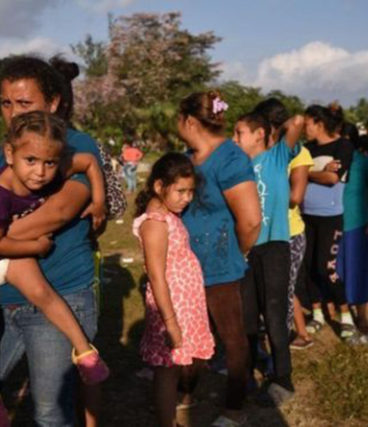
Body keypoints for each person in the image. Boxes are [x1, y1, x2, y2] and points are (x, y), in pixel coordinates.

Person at [0, 55, 105, 426]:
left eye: (24, 102)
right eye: (6, 103)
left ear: (53, 103)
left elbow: (59, 212)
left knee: (51, 413)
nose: (13, 112)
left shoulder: (69, 145)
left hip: (56, 293)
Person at [177, 90, 262, 426]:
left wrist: (234, 253)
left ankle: (234, 408)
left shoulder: (230, 159)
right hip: (187, 266)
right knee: (191, 333)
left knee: (231, 336)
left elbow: (251, 220)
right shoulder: (188, 157)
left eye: (178, 119)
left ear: (190, 121)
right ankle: (186, 391)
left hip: (221, 266)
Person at [133, 152, 214, 427]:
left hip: (183, 305)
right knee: (167, 370)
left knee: (176, 364)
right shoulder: (155, 223)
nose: (187, 198)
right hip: (172, 307)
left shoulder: (167, 214)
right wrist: (170, 322)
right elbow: (156, 276)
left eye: (190, 192)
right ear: (159, 186)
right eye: (181, 191)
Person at [232, 111, 304, 406]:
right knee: (247, 318)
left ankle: (283, 378)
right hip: (244, 250)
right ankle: (247, 373)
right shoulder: (237, 167)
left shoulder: (276, 156)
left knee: (274, 315)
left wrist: (273, 131)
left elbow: (297, 121)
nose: (234, 138)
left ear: (259, 134)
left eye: (239, 133)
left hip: (274, 247)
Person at [301, 104, 356, 339]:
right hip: (305, 215)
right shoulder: (306, 148)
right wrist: (317, 172)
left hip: (330, 217)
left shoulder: (343, 146)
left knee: (326, 268)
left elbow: (332, 178)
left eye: (307, 124)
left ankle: (345, 313)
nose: (304, 128)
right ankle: (317, 314)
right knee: (308, 267)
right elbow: (297, 174)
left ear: (319, 123)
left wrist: (307, 173)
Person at [336, 127, 368, 344]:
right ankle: (341, 311)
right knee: (336, 270)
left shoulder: (364, 163)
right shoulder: (328, 160)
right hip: (331, 224)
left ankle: (362, 316)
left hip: (356, 224)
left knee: (359, 270)